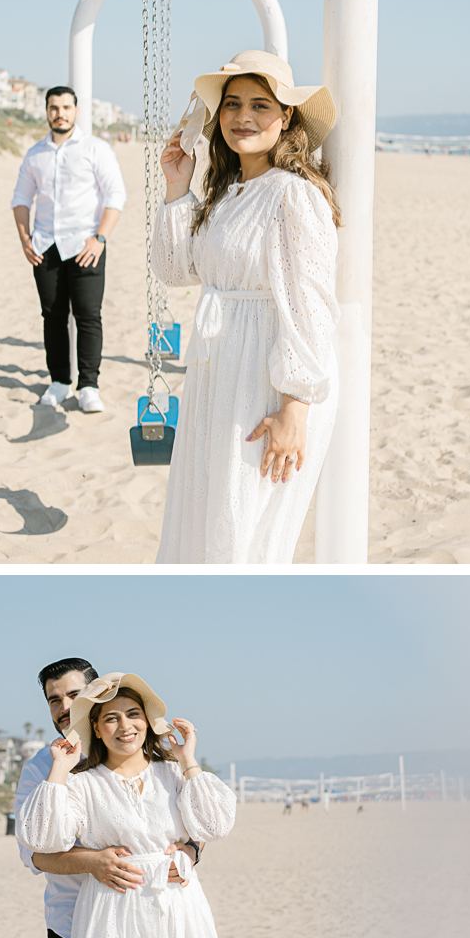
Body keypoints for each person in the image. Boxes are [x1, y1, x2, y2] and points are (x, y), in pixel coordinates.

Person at [151, 51, 341, 563]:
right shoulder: (230, 191)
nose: (243, 116)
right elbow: (175, 270)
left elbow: (311, 305)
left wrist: (295, 406)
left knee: (243, 529)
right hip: (218, 372)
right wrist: (177, 187)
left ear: (287, 119)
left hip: (265, 379)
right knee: (207, 516)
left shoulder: (293, 195)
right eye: (232, 104)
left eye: (261, 104)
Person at [16, 672, 236, 938]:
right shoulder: (78, 782)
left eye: (134, 714)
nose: (125, 726)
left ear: (147, 720)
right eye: (111, 718)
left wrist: (188, 760)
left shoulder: (173, 773)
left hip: (177, 907)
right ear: (95, 727)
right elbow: (40, 841)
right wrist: (60, 769)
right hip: (110, 912)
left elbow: (213, 824)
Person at [11, 87, 127, 413]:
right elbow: (21, 199)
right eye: (53, 107)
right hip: (45, 245)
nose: (59, 113)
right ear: (46, 111)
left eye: (65, 107)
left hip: (86, 245)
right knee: (53, 317)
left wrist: (100, 238)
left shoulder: (95, 149)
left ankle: (89, 385)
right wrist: (24, 238)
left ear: (75, 111)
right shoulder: (35, 154)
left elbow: (115, 196)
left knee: (89, 316)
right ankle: (60, 381)